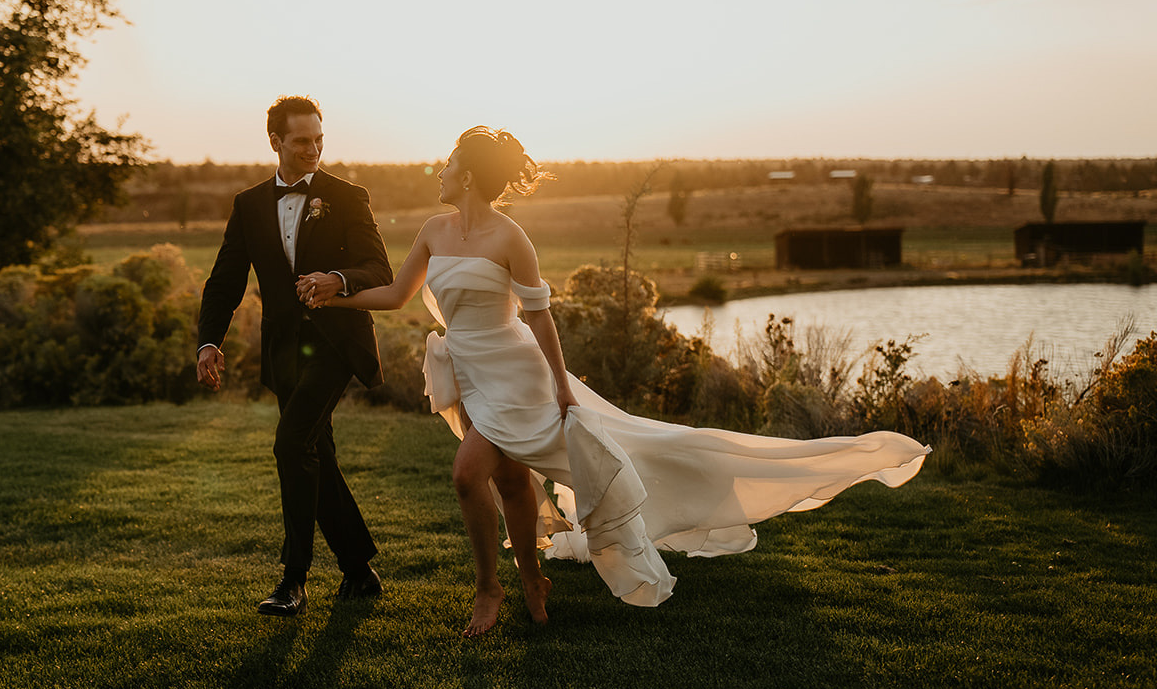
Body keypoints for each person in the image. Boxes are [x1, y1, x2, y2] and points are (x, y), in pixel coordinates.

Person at [301, 127, 929, 636]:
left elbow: (541, 319)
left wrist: (562, 386)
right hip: (472, 375)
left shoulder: (511, 238)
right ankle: (527, 582)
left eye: (446, 163)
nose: (437, 171)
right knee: (510, 479)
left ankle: (491, 590)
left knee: (471, 474)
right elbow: (396, 293)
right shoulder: (434, 231)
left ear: (466, 176)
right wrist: (338, 292)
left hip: (519, 378)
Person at [197, 96, 395, 617]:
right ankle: (358, 569)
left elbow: (380, 268)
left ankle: (292, 580)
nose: (314, 149)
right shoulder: (249, 204)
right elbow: (224, 280)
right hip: (284, 349)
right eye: (302, 140)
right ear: (275, 142)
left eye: (319, 139)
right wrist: (208, 341)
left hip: (335, 345)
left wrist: (339, 280)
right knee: (315, 453)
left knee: (290, 443)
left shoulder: (348, 196)